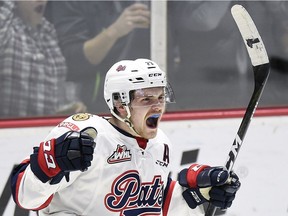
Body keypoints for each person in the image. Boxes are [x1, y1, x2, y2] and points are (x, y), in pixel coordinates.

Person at [11, 58, 240, 215]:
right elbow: (26, 198)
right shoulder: (88, 135)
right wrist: (48, 163)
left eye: (160, 97)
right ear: (121, 105)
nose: (158, 106)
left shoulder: (160, 145)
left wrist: (202, 196)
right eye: (146, 99)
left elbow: (154, 207)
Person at [45, 1, 151, 114]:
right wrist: (115, 31)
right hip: (95, 109)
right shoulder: (71, 3)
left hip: (147, 100)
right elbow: (74, 61)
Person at [0, 0, 86, 118]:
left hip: (46, 130)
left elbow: (60, 85)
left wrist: (72, 104)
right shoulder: (7, 29)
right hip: (11, 130)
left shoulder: (49, 31)